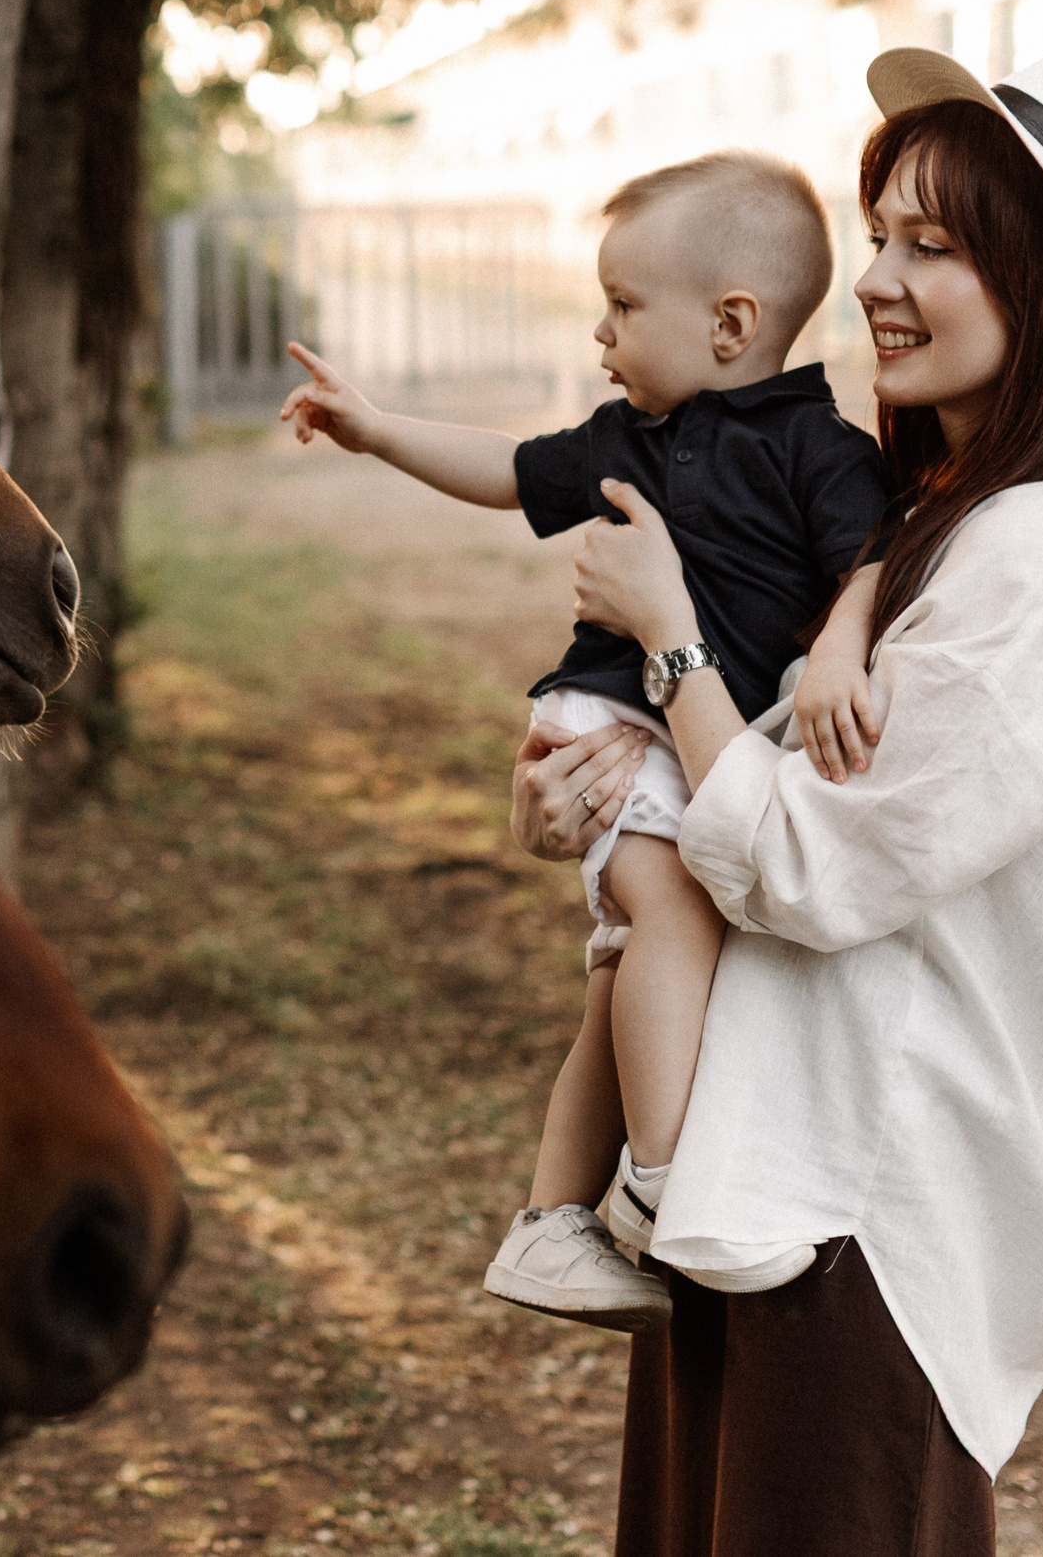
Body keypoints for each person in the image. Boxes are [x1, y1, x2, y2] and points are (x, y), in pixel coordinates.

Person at [512, 42, 1043, 1552]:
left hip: (863, 1222)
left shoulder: (1041, 553)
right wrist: (612, 773)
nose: (878, 282)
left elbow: (810, 868)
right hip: (754, 1170)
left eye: (936, 246)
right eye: (883, 236)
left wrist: (671, 638)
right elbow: (742, 790)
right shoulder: (927, 523)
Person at [277, 150, 887, 1332]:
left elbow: (868, 558)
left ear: (730, 323)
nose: (599, 332)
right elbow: (508, 471)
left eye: (621, 305)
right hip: (611, 717)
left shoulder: (820, 450)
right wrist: (376, 429)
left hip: (668, 726)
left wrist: (849, 645)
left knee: (621, 975)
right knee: (677, 915)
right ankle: (662, 1183)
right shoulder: (630, 435)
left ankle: (551, 1227)